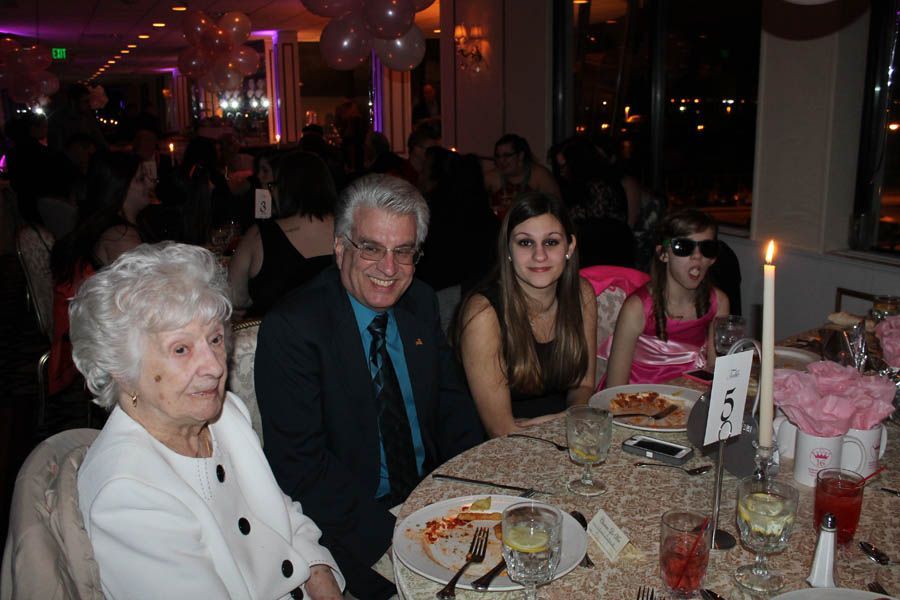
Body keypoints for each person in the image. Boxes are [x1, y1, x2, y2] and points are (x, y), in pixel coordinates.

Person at [71, 242, 345, 599]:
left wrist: (320, 575)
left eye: (215, 339)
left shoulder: (225, 416)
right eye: (181, 349)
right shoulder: (128, 494)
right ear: (122, 368)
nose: (215, 366)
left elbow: (280, 511)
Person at [255, 174, 483, 600]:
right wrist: (402, 540)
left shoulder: (420, 302)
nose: (389, 268)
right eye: (372, 248)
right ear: (340, 247)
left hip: (428, 501)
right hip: (350, 523)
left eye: (403, 252)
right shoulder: (293, 328)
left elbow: (453, 409)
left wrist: (470, 496)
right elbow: (301, 468)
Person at [453, 193, 597, 438]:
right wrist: (567, 420)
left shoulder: (581, 295)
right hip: (493, 449)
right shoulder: (482, 314)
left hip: (563, 435)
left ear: (570, 247)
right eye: (525, 243)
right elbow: (501, 430)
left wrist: (564, 420)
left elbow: (583, 385)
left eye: (551, 242)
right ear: (507, 249)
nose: (539, 256)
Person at [48, 152, 155, 395]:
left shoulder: (105, 226)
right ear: (119, 189)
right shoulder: (121, 236)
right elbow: (144, 300)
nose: (150, 183)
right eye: (140, 179)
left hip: (100, 330)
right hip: (111, 343)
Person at [603, 209, 730, 387]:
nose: (697, 256)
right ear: (663, 254)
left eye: (707, 248)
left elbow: (718, 371)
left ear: (713, 258)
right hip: (636, 401)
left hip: (694, 396)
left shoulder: (719, 302)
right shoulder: (637, 308)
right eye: (683, 247)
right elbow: (615, 386)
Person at [229, 151, 336, 317]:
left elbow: (236, 297)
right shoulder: (350, 228)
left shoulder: (260, 236)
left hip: (277, 339)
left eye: (273, 186)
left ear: (286, 189)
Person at [484, 133, 561, 219]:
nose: (501, 160)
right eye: (498, 156)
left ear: (520, 156)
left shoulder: (539, 176)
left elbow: (558, 207)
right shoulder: (491, 177)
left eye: (507, 155)